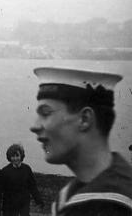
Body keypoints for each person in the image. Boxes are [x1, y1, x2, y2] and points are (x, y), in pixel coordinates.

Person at [30, 67, 132, 215]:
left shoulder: (109, 206)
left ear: (85, 119)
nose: (34, 126)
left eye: (46, 113)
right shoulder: (73, 195)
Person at [0, 144, 43, 216]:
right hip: (9, 204)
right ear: (9, 157)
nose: (15, 158)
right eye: (13, 156)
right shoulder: (5, 171)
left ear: (21, 156)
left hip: (24, 203)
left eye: (17, 156)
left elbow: (33, 186)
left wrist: (39, 201)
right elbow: (0, 190)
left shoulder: (27, 169)